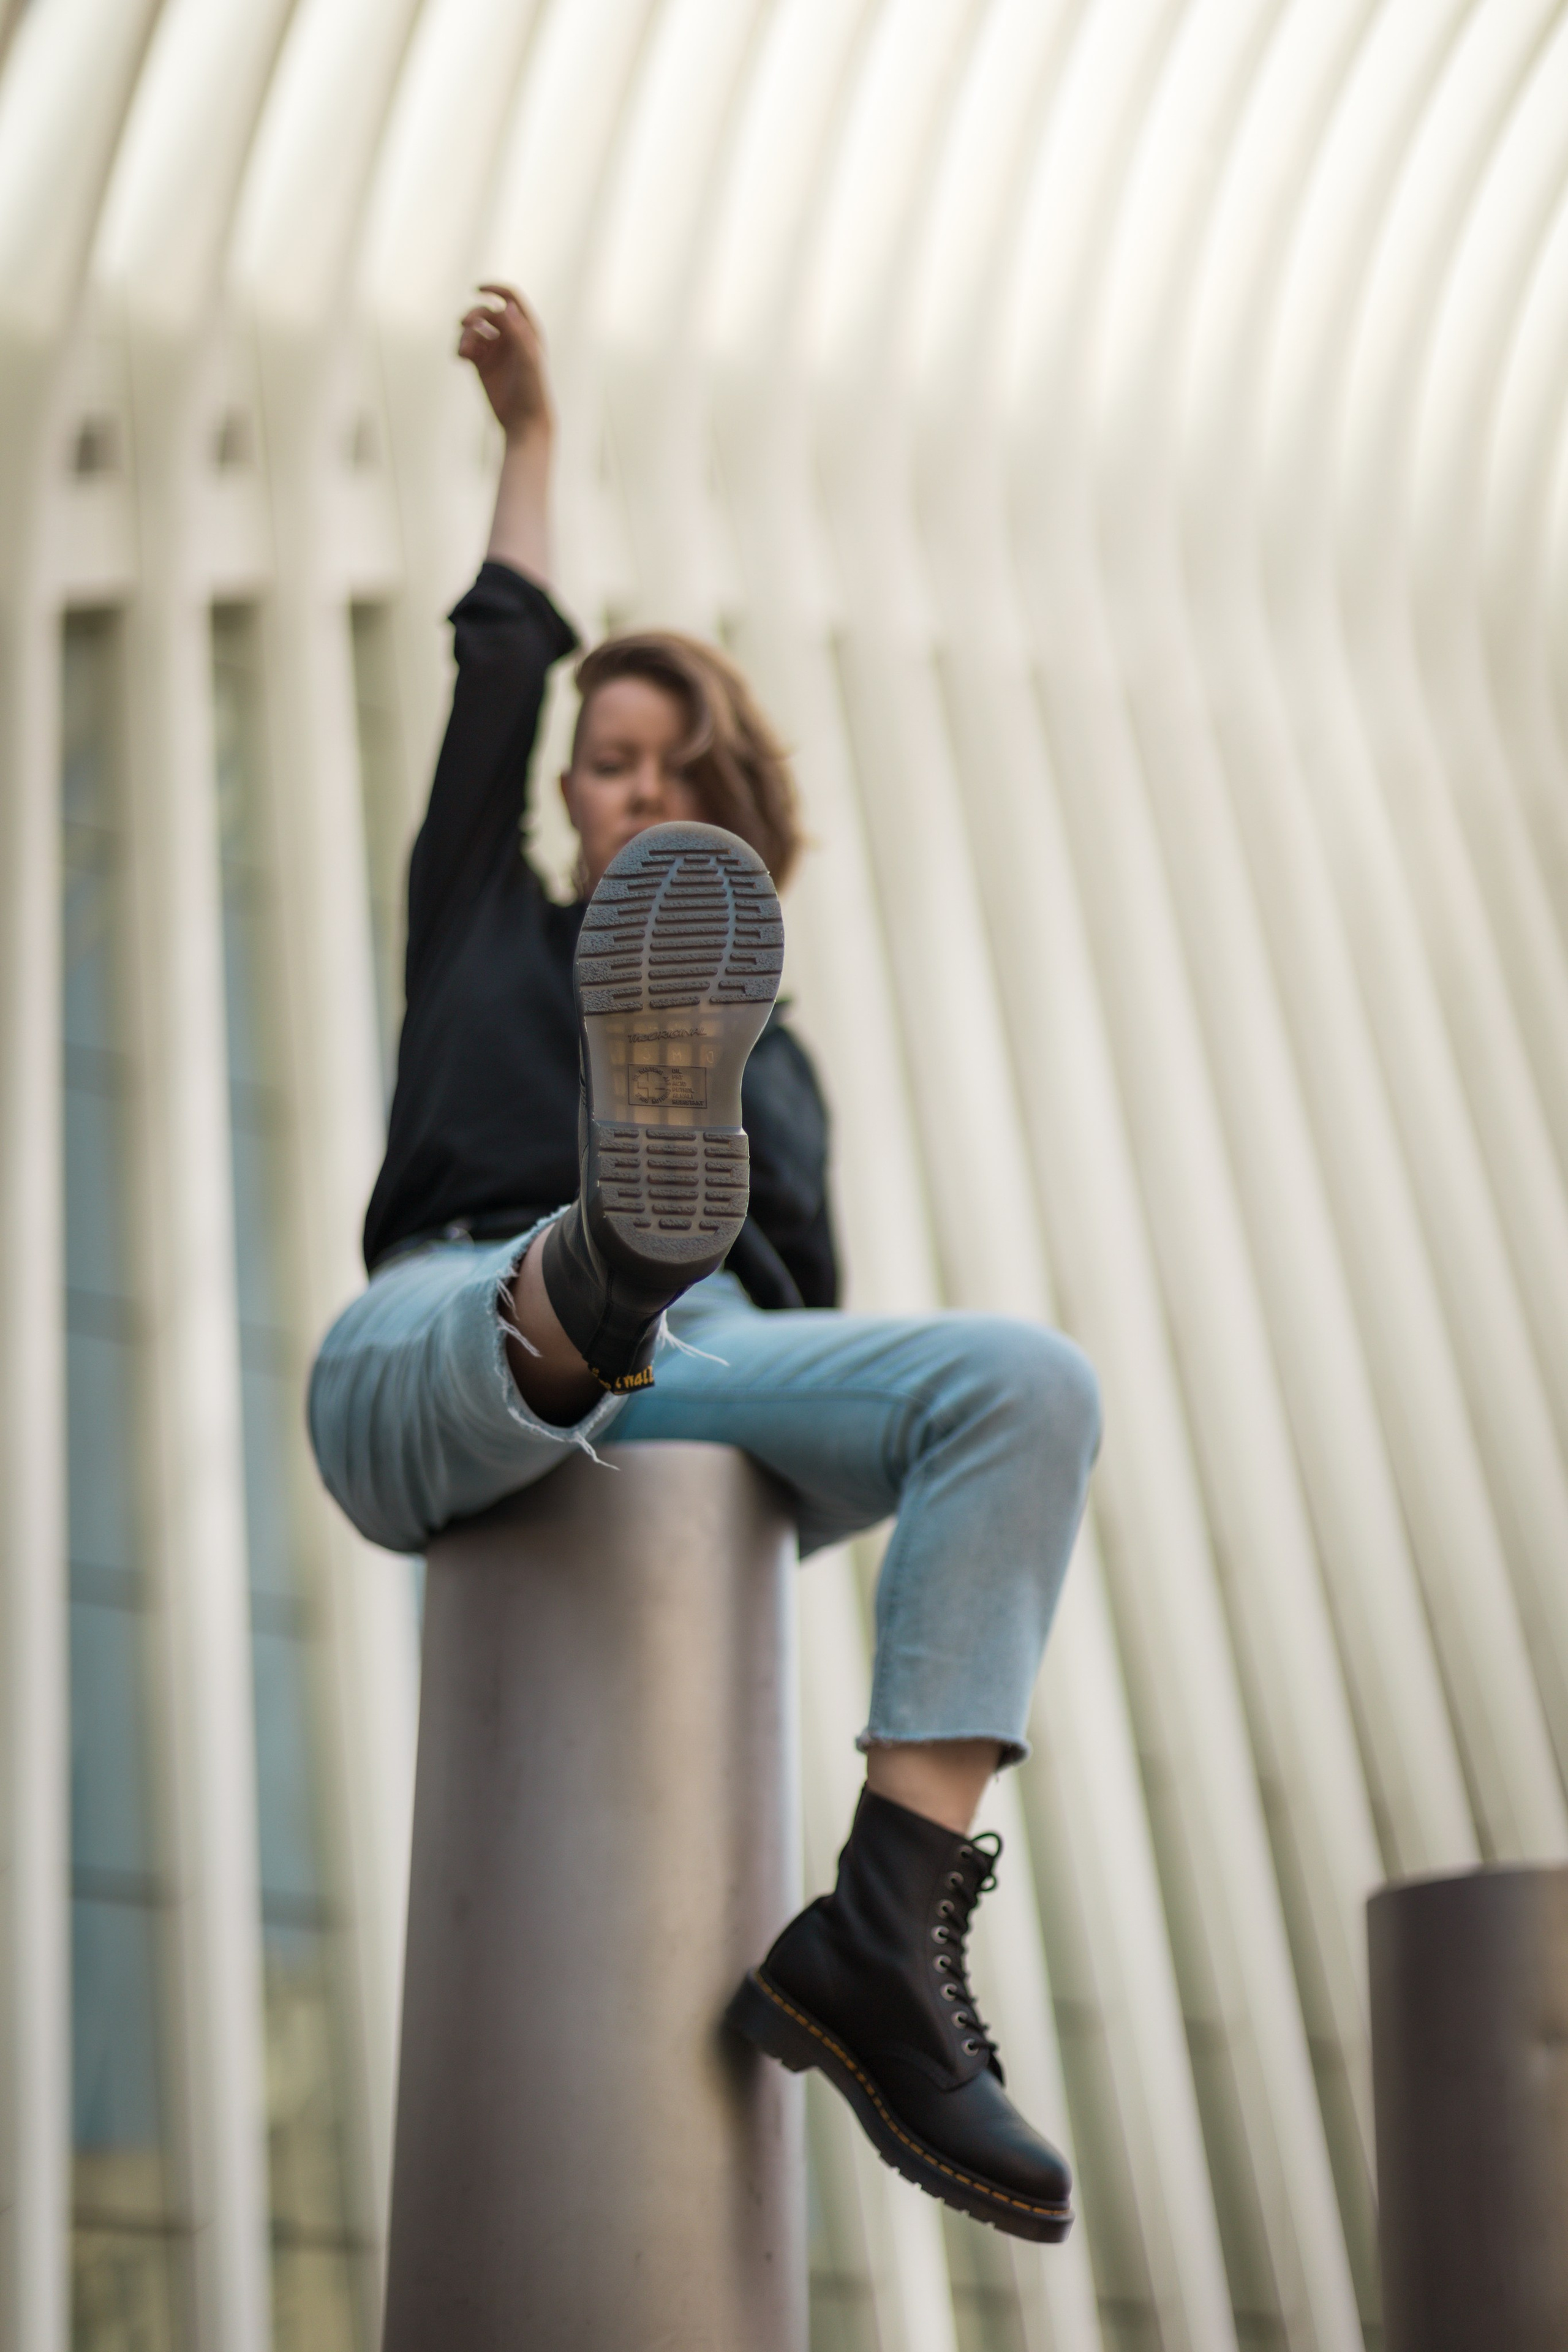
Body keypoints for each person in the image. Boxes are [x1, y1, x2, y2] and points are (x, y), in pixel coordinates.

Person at [308, 287, 1102, 2245]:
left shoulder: (785, 1075)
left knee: (1021, 1387)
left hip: (705, 1371)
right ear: (564, 796)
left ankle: (879, 1939)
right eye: (603, 762)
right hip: (445, 1321)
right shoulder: (481, 920)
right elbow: (502, 662)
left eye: (670, 767)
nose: (631, 787)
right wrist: (531, 440)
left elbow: (819, 1417)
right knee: (560, 1297)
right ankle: (601, 1263)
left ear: (723, 803)